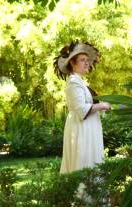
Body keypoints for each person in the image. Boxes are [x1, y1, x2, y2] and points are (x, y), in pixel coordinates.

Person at [54, 41, 111, 174]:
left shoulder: (80, 82)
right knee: (83, 160)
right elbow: (81, 109)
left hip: (86, 128)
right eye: (82, 60)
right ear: (72, 63)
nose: (87, 63)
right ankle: (83, 194)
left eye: (87, 60)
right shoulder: (73, 82)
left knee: (90, 161)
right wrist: (102, 105)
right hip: (80, 129)